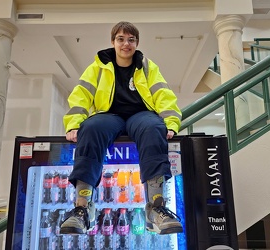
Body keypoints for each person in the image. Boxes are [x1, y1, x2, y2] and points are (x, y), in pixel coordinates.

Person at [61, 21, 183, 235]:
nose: (126, 44)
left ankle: (156, 208)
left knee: (154, 128)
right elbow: (81, 95)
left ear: (136, 43)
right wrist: (74, 124)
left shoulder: (147, 66)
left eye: (131, 39)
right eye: (121, 39)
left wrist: (170, 122)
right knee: (89, 129)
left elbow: (163, 94)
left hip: (141, 115)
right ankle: (82, 208)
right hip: (109, 115)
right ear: (113, 42)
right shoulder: (97, 67)